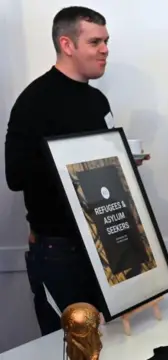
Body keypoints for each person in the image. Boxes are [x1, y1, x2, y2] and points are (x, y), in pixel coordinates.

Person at [4, 6, 127, 336]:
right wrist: (70, 161)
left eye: (106, 41)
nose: (105, 50)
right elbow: (14, 176)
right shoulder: (34, 101)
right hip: (60, 251)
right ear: (67, 44)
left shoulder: (97, 101)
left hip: (103, 242)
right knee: (72, 347)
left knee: (111, 343)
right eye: (95, 42)